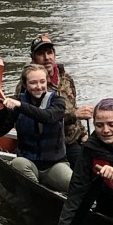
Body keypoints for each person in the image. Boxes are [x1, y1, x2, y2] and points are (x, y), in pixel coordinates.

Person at [0, 63, 71, 192]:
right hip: (28, 163)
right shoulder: (15, 105)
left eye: (42, 82)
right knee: (18, 164)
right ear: (25, 84)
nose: (39, 87)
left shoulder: (57, 102)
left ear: (47, 82)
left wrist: (20, 105)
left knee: (73, 185)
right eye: (33, 83)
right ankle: (37, 192)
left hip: (54, 165)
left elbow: (48, 117)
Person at [25, 35, 93, 167]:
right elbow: (35, 117)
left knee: (88, 167)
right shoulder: (29, 85)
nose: (47, 58)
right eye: (41, 54)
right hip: (45, 145)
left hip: (70, 141)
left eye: (49, 52)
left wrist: (83, 135)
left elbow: (74, 107)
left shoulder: (66, 79)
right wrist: (74, 114)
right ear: (33, 58)